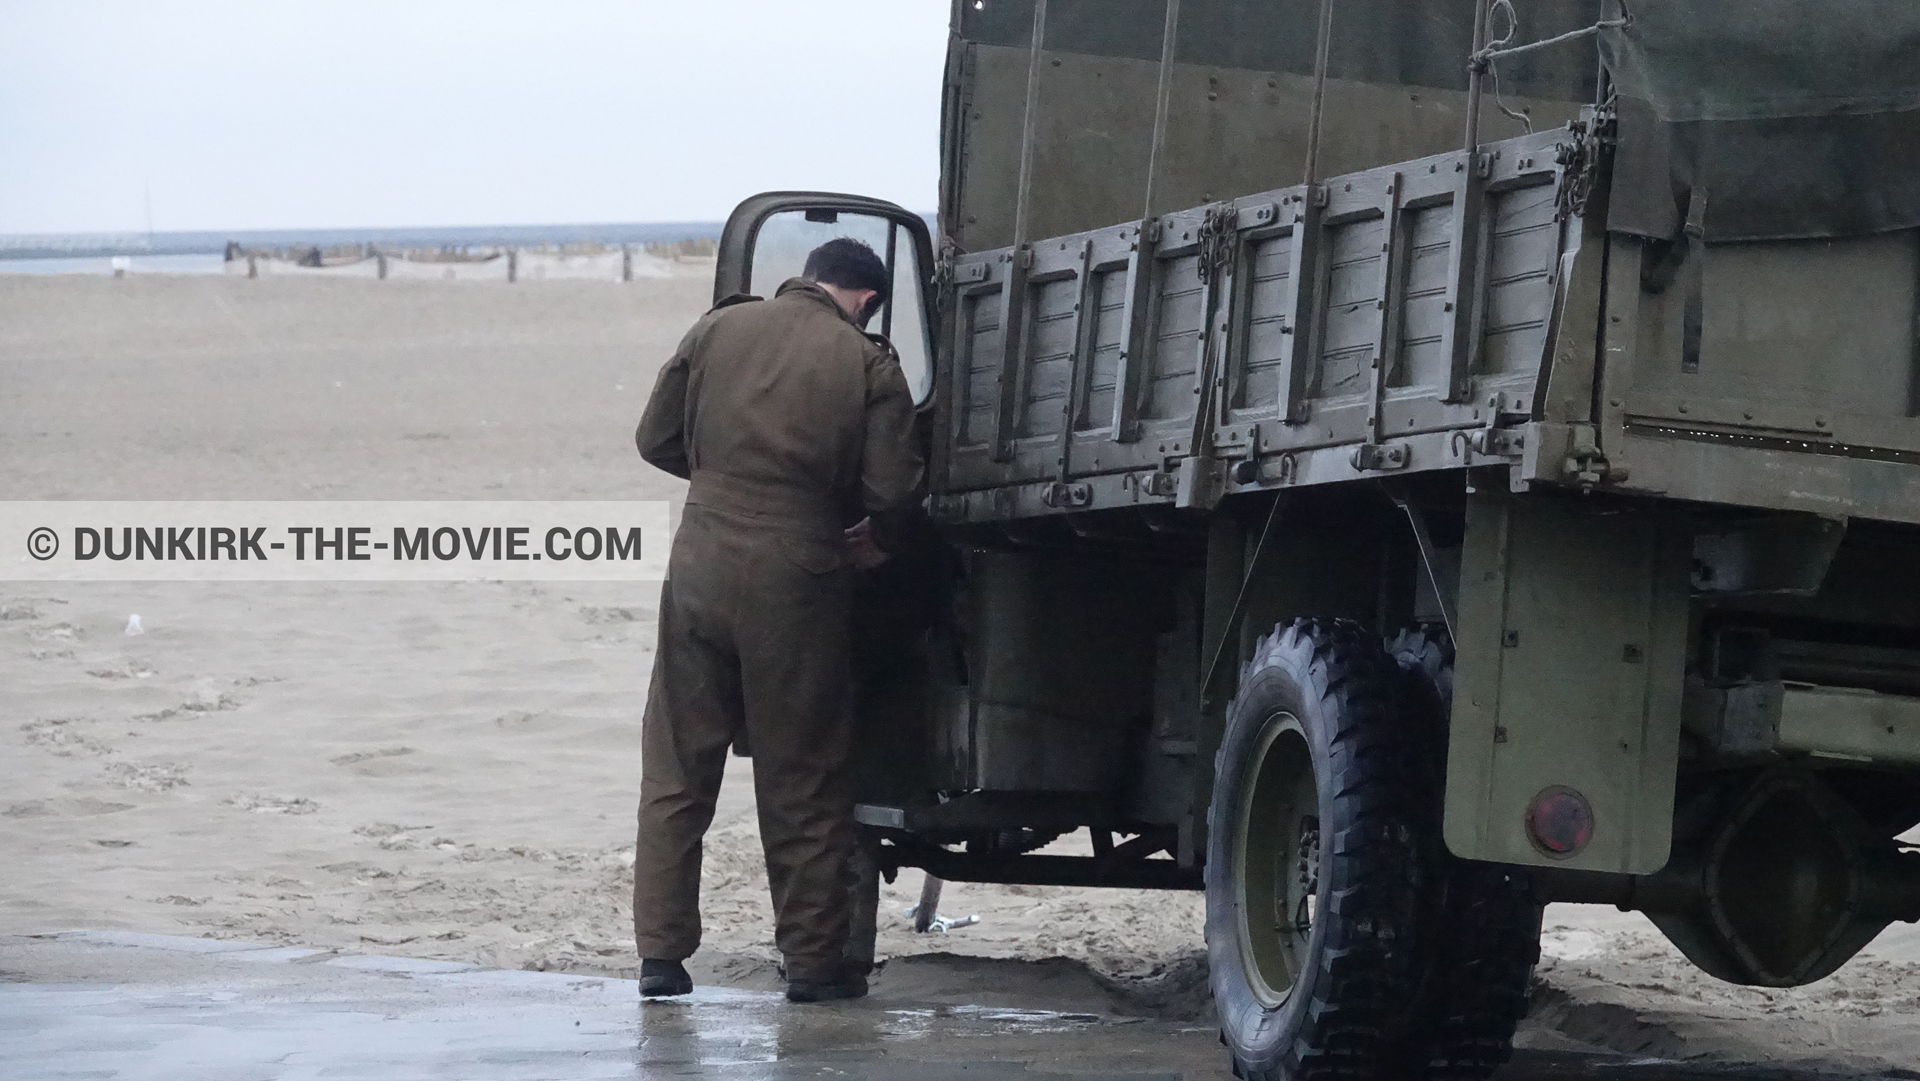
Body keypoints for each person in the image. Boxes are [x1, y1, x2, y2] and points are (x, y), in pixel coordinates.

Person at [630, 238, 924, 1003]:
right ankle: (813, 965)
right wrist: (877, 542)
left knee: (676, 770)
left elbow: (654, 437)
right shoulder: (867, 362)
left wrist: (725, 481)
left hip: (697, 560)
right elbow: (894, 492)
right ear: (864, 299)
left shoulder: (717, 329)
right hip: (799, 575)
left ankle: (661, 958)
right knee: (803, 778)